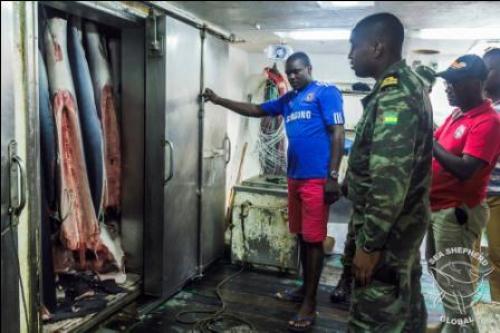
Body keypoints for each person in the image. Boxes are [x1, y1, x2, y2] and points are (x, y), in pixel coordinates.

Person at [203, 52, 345, 331]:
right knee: (303, 237)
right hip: (294, 178)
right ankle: (304, 289)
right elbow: (256, 110)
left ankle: (311, 303)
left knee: (314, 240)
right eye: (289, 73)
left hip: (317, 179)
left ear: (309, 68)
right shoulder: (288, 100)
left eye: (297, 71)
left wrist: (332, 176)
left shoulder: (325, 92)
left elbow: (338, 133)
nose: (292, 77)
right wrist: (219, 100)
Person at [339, 13, 433, 332]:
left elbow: (389, 179)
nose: (350, 55)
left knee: (374, 317)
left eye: (355, 47)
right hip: (401, 231)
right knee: (405, 312)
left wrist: (369, 246)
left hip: (387, 238)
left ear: (377, 47)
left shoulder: (395, 94)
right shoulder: (403, 86)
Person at [427, 54, 500, 333]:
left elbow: (466, 169)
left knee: (454, 280)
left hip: (456, 211)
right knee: (439, 271)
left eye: (455, 82)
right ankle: (452, 321)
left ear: (477, 83)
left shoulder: (488, 121)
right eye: (447, 82)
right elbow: (437, 142)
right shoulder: (458, 114)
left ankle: (461, 327)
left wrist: (430, 143)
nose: (448, 87)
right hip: (437, 208)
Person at [483, 48, 500, 303]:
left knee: (498, 259)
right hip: (482, 195)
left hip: (498, 196)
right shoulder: (489, 109)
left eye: (486, 70)